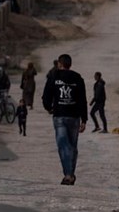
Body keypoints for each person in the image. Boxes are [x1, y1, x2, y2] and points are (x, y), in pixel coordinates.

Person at [42, 54, 88, 186]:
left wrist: (48, 108)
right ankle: (69, 174)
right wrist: (84, 119)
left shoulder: (54, 77)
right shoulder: (77, 78)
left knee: (63, 145)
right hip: (74, 117)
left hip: (60, 116)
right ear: (70, 64)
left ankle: (69, 174)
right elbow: (82, 100)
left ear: (59, 64)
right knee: (72, 147)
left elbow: (46, 96)